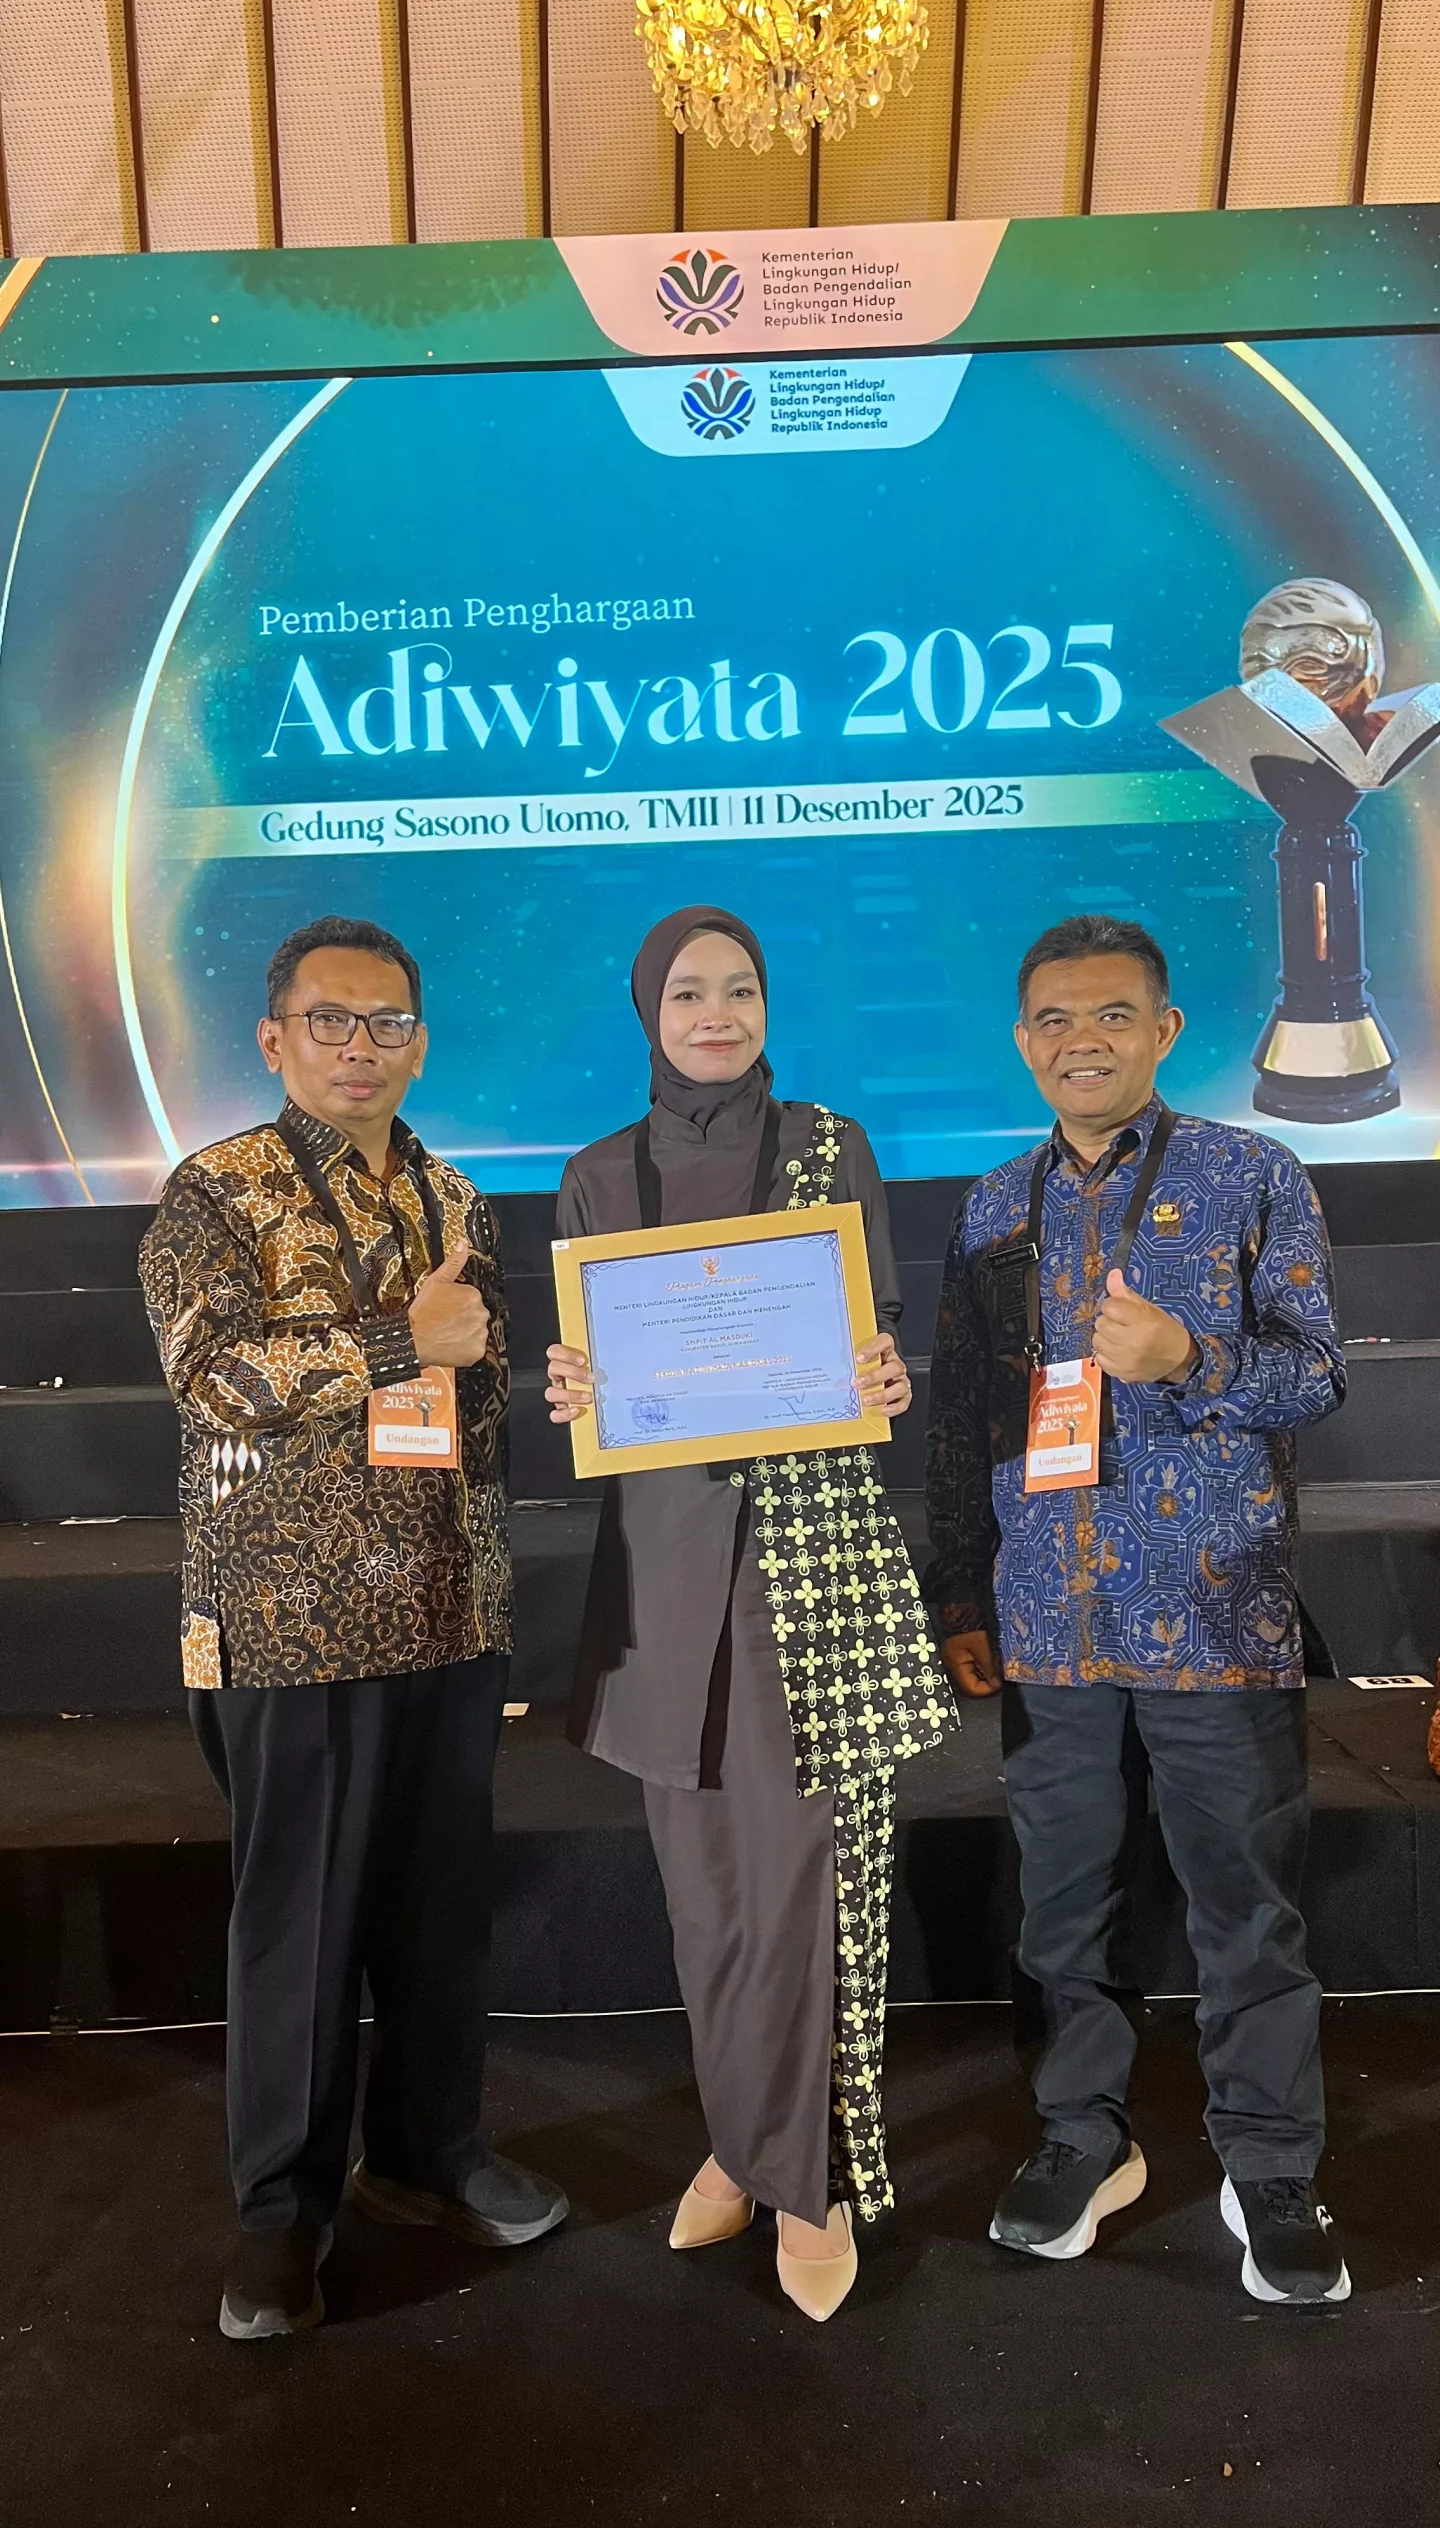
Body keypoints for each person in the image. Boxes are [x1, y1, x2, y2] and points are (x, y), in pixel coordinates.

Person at [140, 914, 566, 2341]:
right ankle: (280, 2214)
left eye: (387, 1023)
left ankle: (431, 2155)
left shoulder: (457, 1200)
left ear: (420, 1043)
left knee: (438, 1919)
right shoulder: (216, 1191)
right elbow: (212, 1377)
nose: (360, 1046)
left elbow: (477, 1408)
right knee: (300, 1929)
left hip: (446, 1606)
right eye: (331, 1020)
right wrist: (397, 1343)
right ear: (275, 1039)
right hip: (291, 1617)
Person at [924, 913, 1351, 2305]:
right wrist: (960, 1589)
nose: (1081, 1041)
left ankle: (1270, 2165)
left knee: (1247, 1912)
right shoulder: (993, 1205)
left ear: (1164, 1031)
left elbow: (1319, 1374)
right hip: (1048, 1618)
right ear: (1022, 1041)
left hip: (1216, 1611)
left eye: (1111, 1015)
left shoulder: (1251, 1173)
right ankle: (1080, 2138)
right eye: (1053, 1019)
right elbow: (964, 1418)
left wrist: (1186, 1357)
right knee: (1062, 1909)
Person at [545, 905, 957, 2321]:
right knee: (706, 1895)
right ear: (648, 1014)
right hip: (665, 1578)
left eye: (739, 989)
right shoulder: (598, 1175)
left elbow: (868, 1336)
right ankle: (740, 2139)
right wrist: (581, 1391)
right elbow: (596, 1373)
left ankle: (806, 2179)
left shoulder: (831, 1147)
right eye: (687, 994)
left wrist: (882, 1376)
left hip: (805, 1563)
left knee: (797, 1886)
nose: (715, 1014)